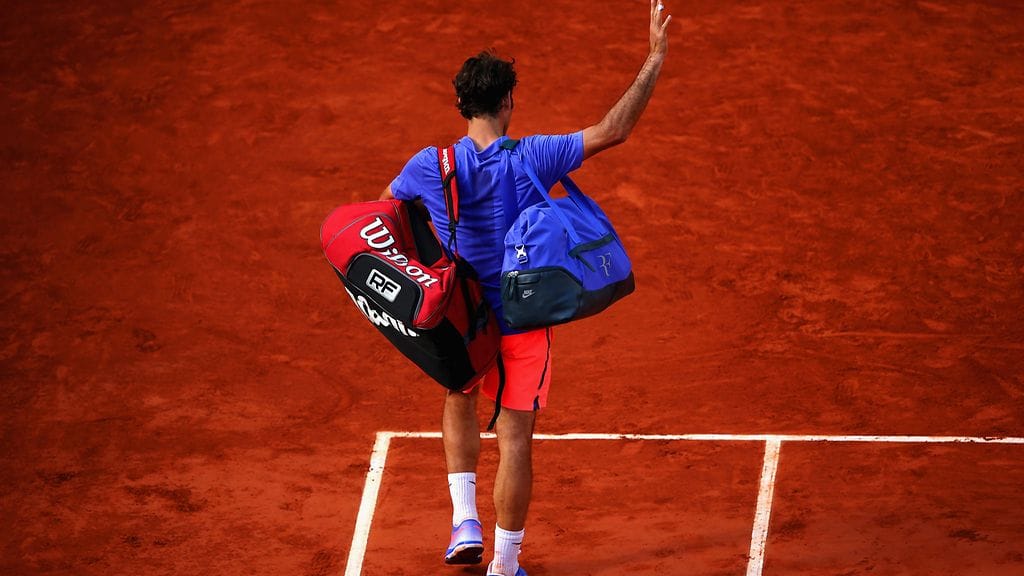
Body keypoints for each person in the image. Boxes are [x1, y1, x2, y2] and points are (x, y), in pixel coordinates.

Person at [380, 2, 672, 574]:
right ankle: (506, 566)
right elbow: (616, 129)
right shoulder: (534, 156)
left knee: (458, 396)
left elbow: (389, 211)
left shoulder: (427, 164)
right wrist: (655, 56)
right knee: (514, 436)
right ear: (508, 102)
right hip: (523, 319)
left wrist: (426, 274)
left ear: (461, 105)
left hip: (460, 316)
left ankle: (465, 519)